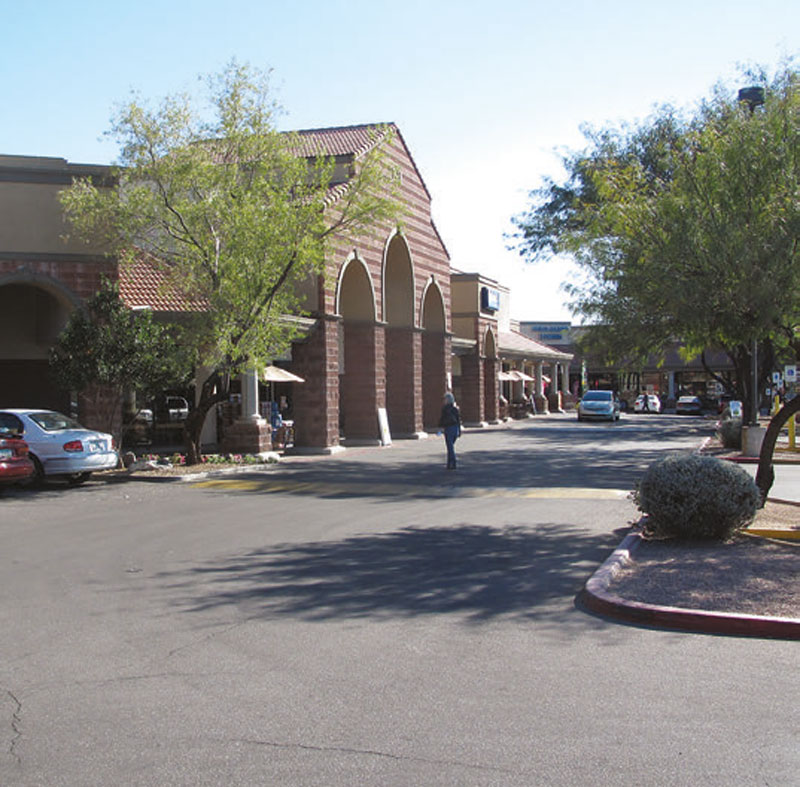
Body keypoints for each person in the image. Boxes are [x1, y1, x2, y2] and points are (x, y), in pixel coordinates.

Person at [438, 391, 462, 469]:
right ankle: (449, 463)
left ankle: (453, 461)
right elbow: (458, 420)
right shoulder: (455, 409)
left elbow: (442, 419)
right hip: (455, 428)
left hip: (448, 428)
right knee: (451, 446)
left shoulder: (445, 409)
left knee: (450, 446)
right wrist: (459, 430)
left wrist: (440, 429)